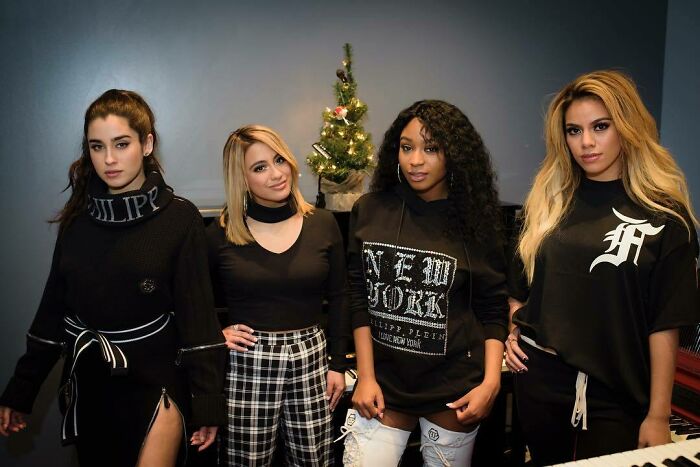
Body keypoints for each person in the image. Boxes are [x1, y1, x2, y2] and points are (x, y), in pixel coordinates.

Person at [0, 89, 227, 467]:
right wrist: (20, 390)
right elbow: (52, 313)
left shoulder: (179, 218)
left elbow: (198, 319)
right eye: (97, 146)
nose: (109, 159)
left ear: (147, 144)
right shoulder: (76, 221)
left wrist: (208, 404)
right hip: (92, 386)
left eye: (121, 144)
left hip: (157, 383)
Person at [505, 70, 700, 465]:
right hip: (540, 383)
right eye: (574, 131)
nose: (586, 143)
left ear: (626, 126)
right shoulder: (548, 203)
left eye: (600, 126)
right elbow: (518, 289)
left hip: (617, 392)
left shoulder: (665, 217)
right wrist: (514, 333)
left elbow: (665, 323)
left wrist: (658, 414)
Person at [339, 100, 509, 466]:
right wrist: (365, 377)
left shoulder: (476, 221)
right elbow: (359, 297)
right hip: (383, 386)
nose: (415, 160)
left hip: (454, 390)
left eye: (431, 149)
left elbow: (493, 308)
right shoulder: (370, 210)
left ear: (454, 155)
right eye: (407, 147)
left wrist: (491, 383)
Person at [206, 124, 350, 466]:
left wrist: (338, 365)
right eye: (260, 167)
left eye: (279, 160)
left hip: (312, 357)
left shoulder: (323, 223)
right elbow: (191, 299)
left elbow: (341, 296)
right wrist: (214, 333)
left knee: (314, 459)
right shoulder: (220, 234)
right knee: (247, 461)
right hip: (248, 361)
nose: (276, 174)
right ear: (241, 178)